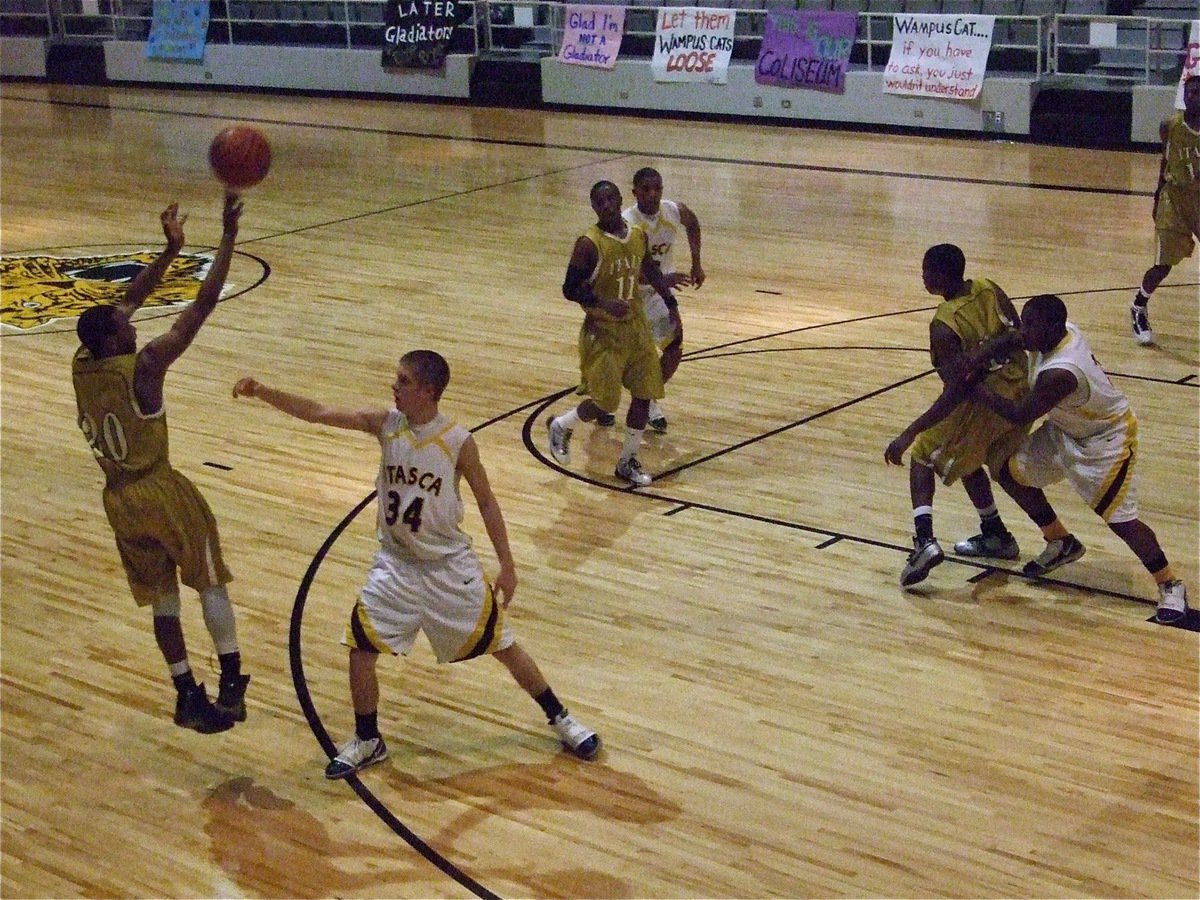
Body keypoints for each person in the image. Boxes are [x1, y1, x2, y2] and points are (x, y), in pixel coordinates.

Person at [233, 351, 601, 778]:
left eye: (403, 381)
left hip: (447, 566)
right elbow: (317, 413)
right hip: (395, 566)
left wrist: (507, 564)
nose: (394, 387)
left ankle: (561, 718)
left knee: (502, 645)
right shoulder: (386, 424)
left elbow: (485, 500)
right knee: (360, 649)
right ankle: (368, 740)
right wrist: (263, 392)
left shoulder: (457, 441)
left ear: (428, 391)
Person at [889, 295, 1190, 625]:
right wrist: (977, 357)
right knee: (1004, 466)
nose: (1024, 330)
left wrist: (974, 387)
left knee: (1122, 521)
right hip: (1066, 430)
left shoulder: (1061, 372)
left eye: (1031, 325)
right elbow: (1013, 337)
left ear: (1052, 328)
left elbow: (1020, 414)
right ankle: (1059, 540)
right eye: (1025, 321)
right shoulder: (1056, 332)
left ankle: (1169, 583)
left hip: (1105, 440)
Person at [72, 194, 249, 734]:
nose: (133, 327)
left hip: (119, 499)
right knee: (210, 582)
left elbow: (128, 299)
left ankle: (185, 690)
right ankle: (232, 677)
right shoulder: (145, 367)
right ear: (114, 342)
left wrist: (171, 250)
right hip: (159, 487)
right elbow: (203, 305)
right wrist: (226, 238)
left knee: (163, 601)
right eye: (123, 329)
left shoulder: (84, 362)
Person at [883, 244, 1030, 588]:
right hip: (1021, 389)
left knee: (922, 454)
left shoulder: (944, 325)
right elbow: (1020, 333)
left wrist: (909, 432)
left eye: (926, 271)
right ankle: (995, 533)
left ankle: (924, 542)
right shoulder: (989, 288)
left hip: (988, 402)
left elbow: (956, 394)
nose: (922, 277)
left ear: (940, 276)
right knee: (967, 456)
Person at [546, 180, 681, 487]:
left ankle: (627, 461)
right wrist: (603, 302)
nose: (606, 205)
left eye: (610, 199)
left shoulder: (636, 234)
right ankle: (561, 424)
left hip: (636, 328)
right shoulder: (588, 243)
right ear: (593, 206)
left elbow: (650, 271)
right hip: (603, 331)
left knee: (645, 394)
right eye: (599, 202)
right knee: (605, 404)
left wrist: (670, 301)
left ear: (620, 200)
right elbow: (569, 289)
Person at [594, 167, 704, 433]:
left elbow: (693, 223)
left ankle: (648, 397)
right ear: (635, 193)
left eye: (657, 188)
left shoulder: (673, 211)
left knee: (674, 345)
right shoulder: (625, 223)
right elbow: (624, 268)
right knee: (616, 358)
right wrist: (662, 281)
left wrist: (696, 263)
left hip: (657, 294)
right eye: (646, 189)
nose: (652, 194)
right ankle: (600, 404)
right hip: (624, 294)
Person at [1129, 73, 1200, 346]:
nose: (1191, 97)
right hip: (1174, 197)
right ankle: (1138, 307)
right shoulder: (1170, 126)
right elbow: (1165, 162)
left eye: (1196, 93)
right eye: (1188, 92)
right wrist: (1156, 197)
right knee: (1163, 265)